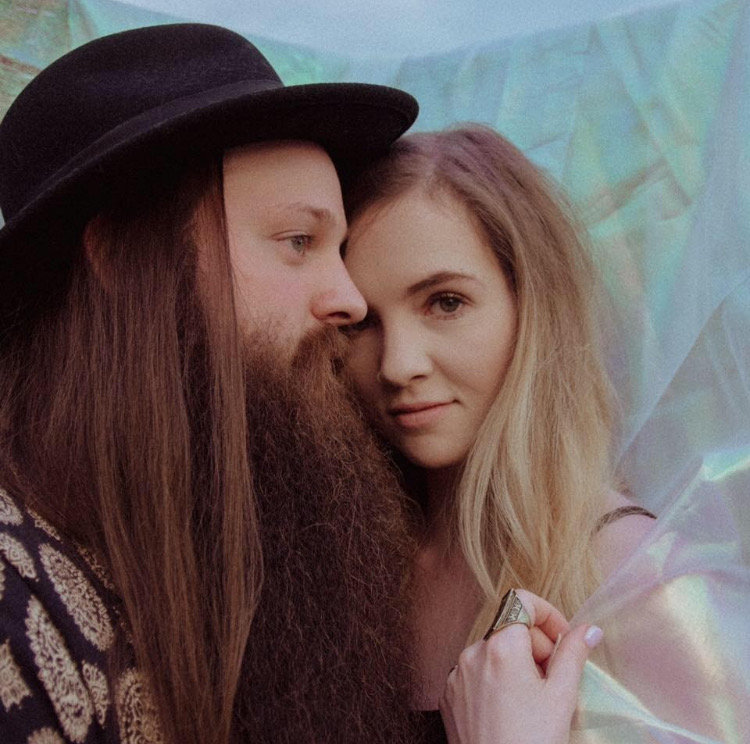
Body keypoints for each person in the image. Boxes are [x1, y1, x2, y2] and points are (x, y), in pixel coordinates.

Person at [0, 22, 431, 744]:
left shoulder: (245, 539)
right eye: (299, 241)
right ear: (121, 257)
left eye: (339, 250)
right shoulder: (14, 600)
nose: (350, 299)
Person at [341, 126, 659, 741]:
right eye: (360, 322)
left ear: (533, 305)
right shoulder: (350, 567)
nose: (397, 364)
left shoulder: (633, 573)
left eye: (445, 302)